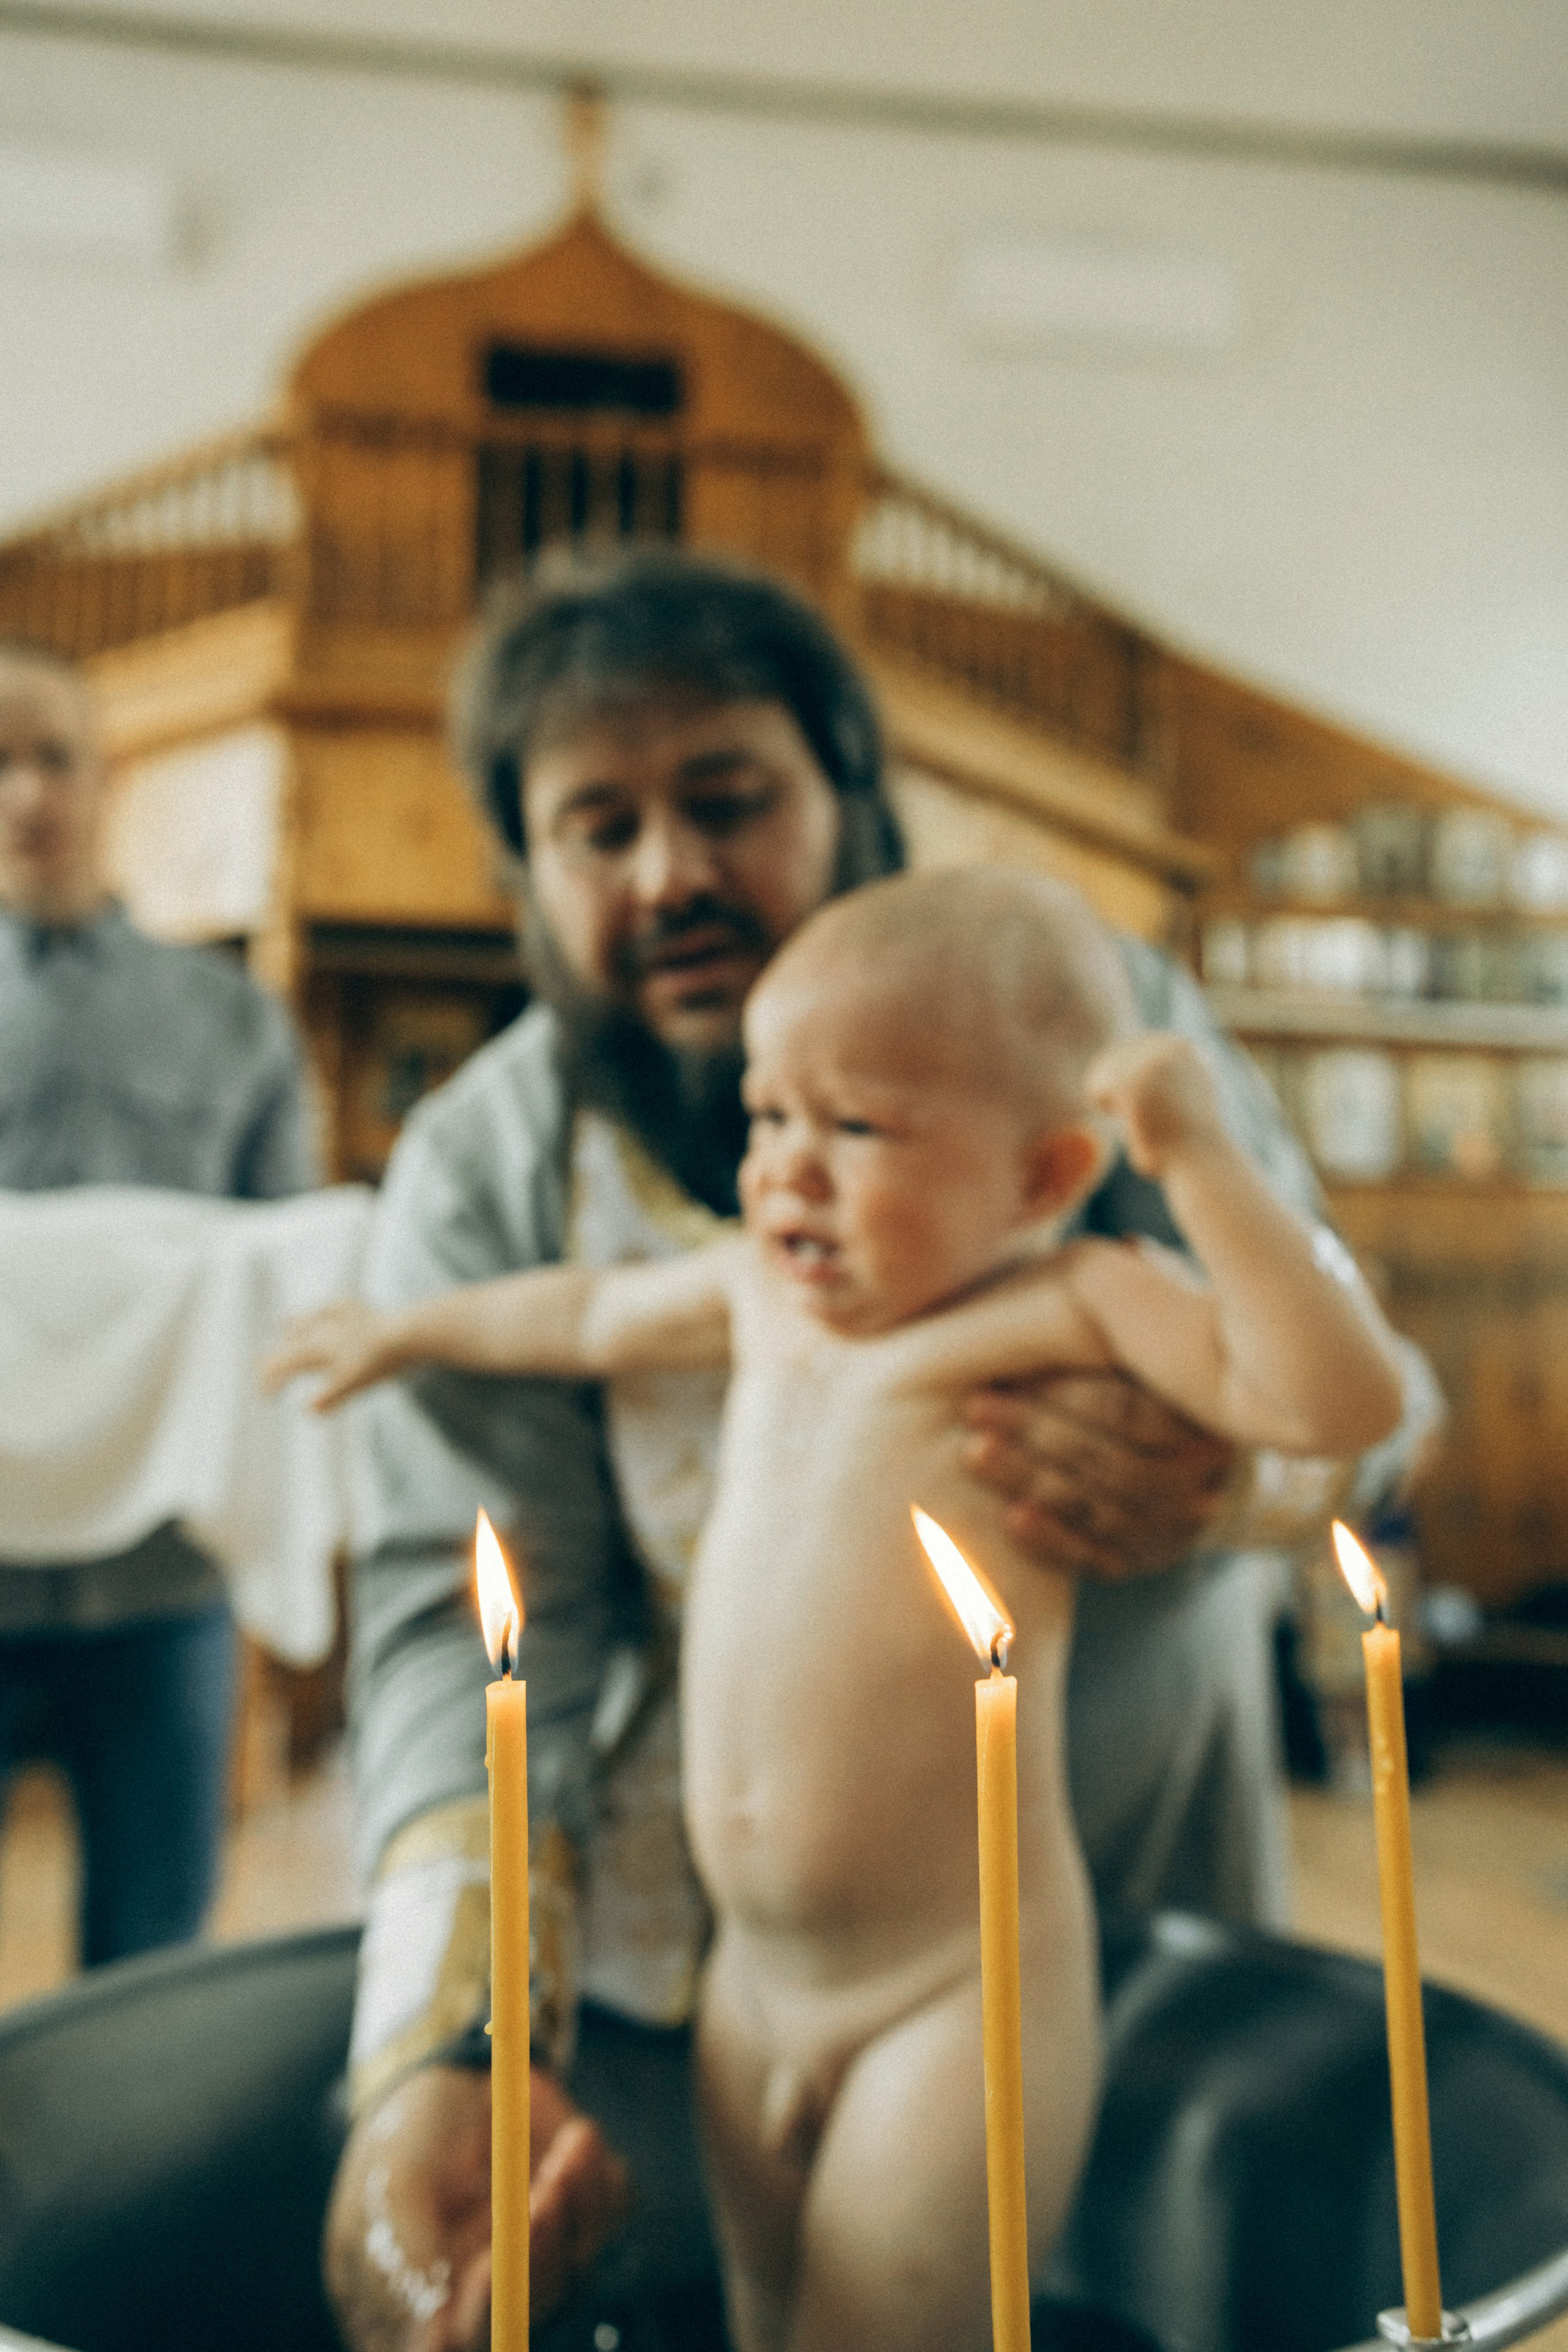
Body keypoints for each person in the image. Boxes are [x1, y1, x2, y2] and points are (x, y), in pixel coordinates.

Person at [320, 552, 1441, 2351]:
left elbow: (1369, 1401)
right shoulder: (490, 1163)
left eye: (727, 800)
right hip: (710, 1971)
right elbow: (474, 1622)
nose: (669, 873)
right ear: (521, 871)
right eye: (598, 827)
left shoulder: (1068, 1022)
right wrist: (441, 2041)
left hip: (1078, 1923)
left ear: (850, 792)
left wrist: (1226, 1478)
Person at [0, 640, 318, 1966]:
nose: (26, 793)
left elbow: (291, 1274)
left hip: (165, 1577)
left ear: (108, 776)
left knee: (153, 1963)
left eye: (53, 757)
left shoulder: (233, 1020)